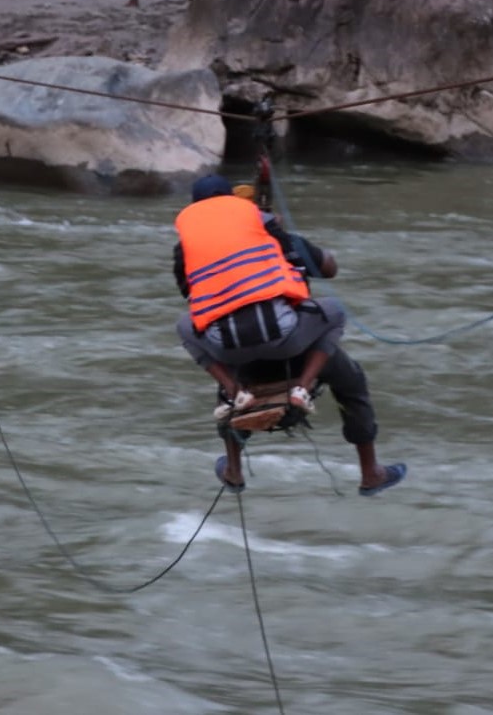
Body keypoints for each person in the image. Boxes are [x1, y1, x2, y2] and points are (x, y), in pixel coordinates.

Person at [172, 174, 406, 496]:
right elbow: (329, 269)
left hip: (239, 355)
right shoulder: (275, 235)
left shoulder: (187, 249)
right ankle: (370, 472)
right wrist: (285, 236)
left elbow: (192, 295)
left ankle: (234, 469)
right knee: (351, 383)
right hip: (297, 345)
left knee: (227, 392)